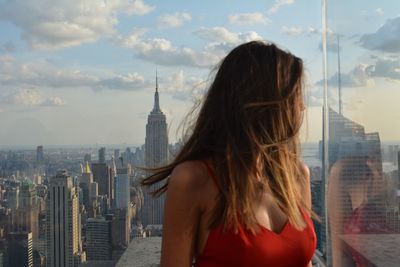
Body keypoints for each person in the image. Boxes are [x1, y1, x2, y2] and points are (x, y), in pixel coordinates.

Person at [141, 41, 317, 267]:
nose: (302, 107)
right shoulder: (194, 180)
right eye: (294, 96)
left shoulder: (297, 176)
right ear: (262, 101)